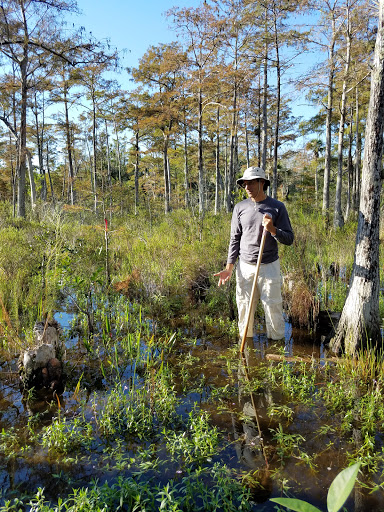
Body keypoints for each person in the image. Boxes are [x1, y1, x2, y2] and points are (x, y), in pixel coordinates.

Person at [215, 166, 294, 340]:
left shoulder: (277, 207)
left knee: (273, 307)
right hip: (244, 267)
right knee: (244, 308)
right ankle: (247, 349)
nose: (247, 187)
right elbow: (234, 239)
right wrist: (229, 268)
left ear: (262, 183)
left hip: (269, 267)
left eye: (251, 183)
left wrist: (273, 229)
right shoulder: (240, 207)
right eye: (244, 184)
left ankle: (276, 348)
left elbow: (289, 239)